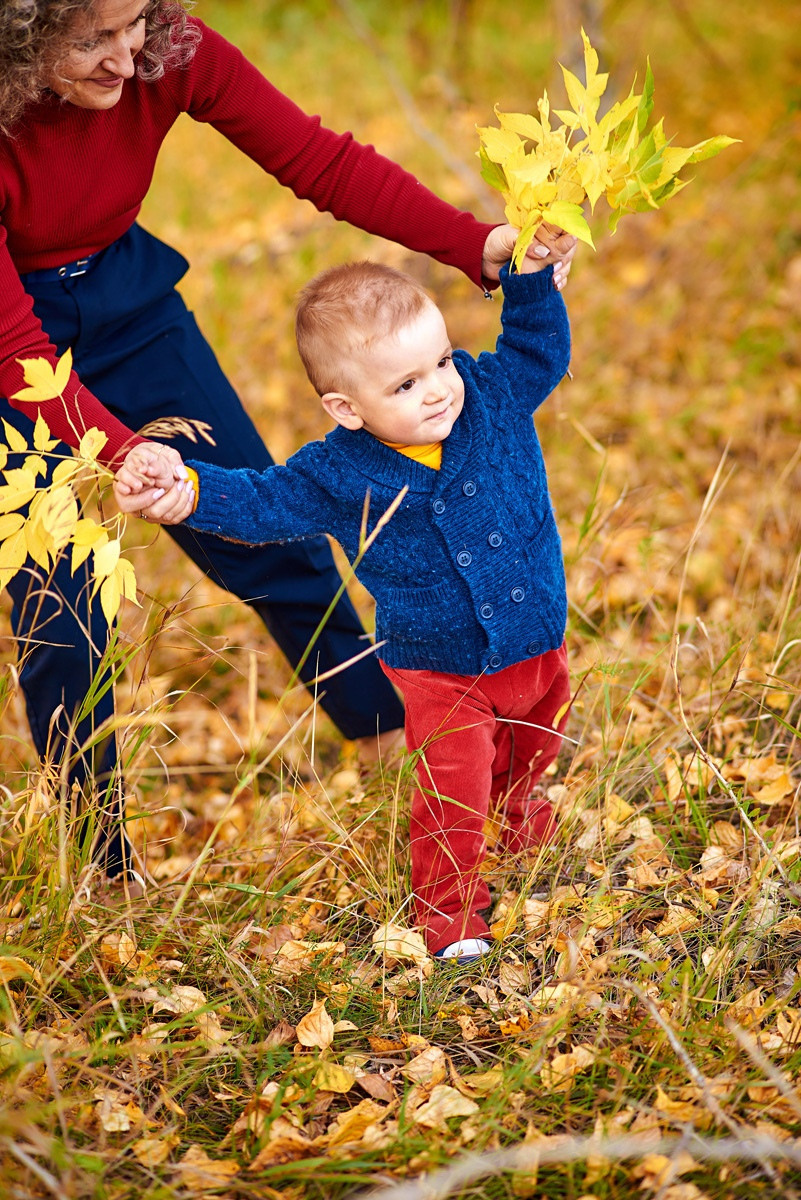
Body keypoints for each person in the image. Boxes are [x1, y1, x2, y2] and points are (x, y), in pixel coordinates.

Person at [0, 0, 574, 885]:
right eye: (90, 41)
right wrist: (120, 457)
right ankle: (102, 865)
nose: (126, 59)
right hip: (18, 355)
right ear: (19, 34)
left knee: (269, 526)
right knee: (65, 610)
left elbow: (321, 162)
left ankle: (387, 735)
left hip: (132, 310)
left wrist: (482, 246)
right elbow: (15, 350)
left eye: (135, 24)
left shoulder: (169, 50)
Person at [115, 254, 572, 962]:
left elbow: (537, 347)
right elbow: (265, 502)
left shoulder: (489, 395)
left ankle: (519, 823)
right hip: (439, 668)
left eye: (441, 362)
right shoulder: (338, 471)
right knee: (454, 792)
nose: (437, 393)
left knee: (531, 747)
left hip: (537, 636)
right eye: (406, 384)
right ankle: (451, 918)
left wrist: (529, 279)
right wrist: (194, 490)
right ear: (346, 409)